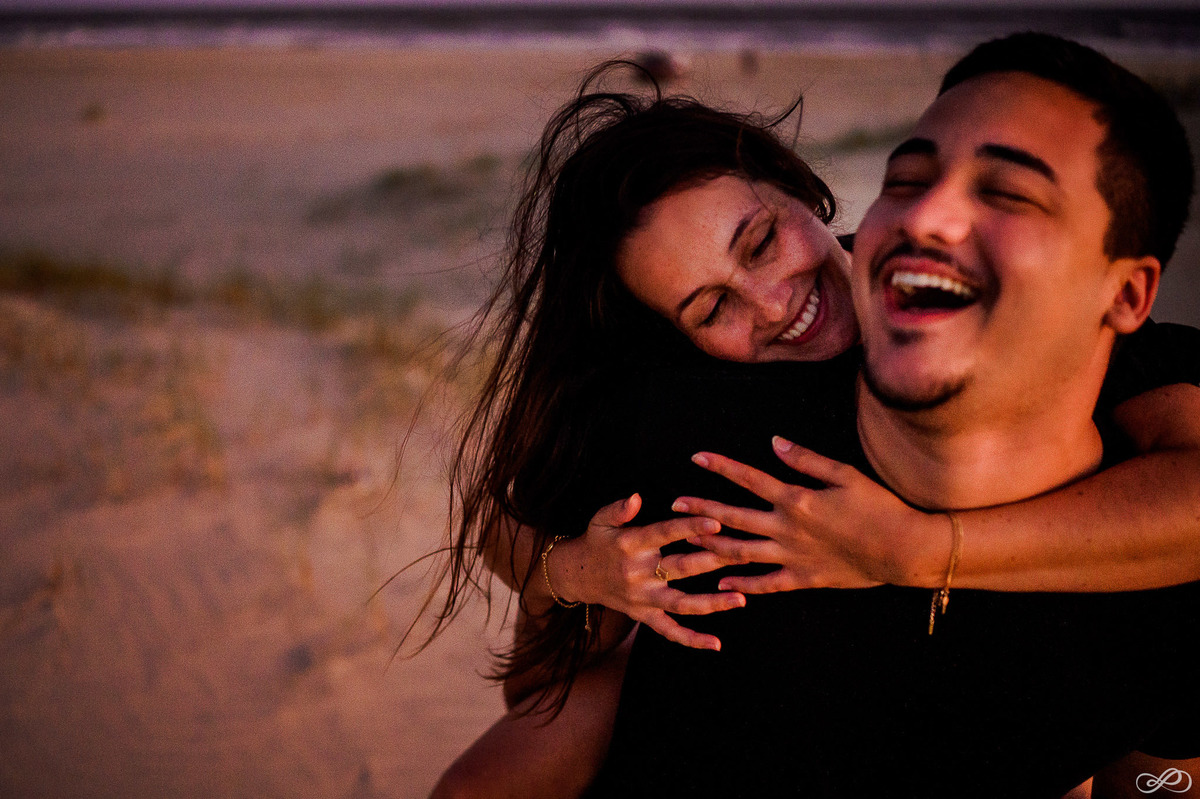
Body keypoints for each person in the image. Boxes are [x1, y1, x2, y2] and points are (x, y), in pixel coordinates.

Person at [428, 41, 1200, 798]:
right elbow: (516, 583)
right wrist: (572, 572)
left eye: (762, 241)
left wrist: (919, 549)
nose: (772, 304)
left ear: (799, 186)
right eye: (711, 308)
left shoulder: (1015, 321)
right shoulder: (700, 419)